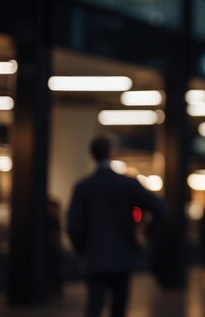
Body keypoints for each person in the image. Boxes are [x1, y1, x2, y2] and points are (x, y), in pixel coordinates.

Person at [67, 136, 166, 317]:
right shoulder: (127, 184)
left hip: (94, 257)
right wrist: (146, 233)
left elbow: (73, 225)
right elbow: (159, 207)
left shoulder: (83, 187)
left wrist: (82, 248)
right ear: (112, 153)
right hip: (123, 255)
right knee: (119, 307)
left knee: (94, 305)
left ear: (92, 155)